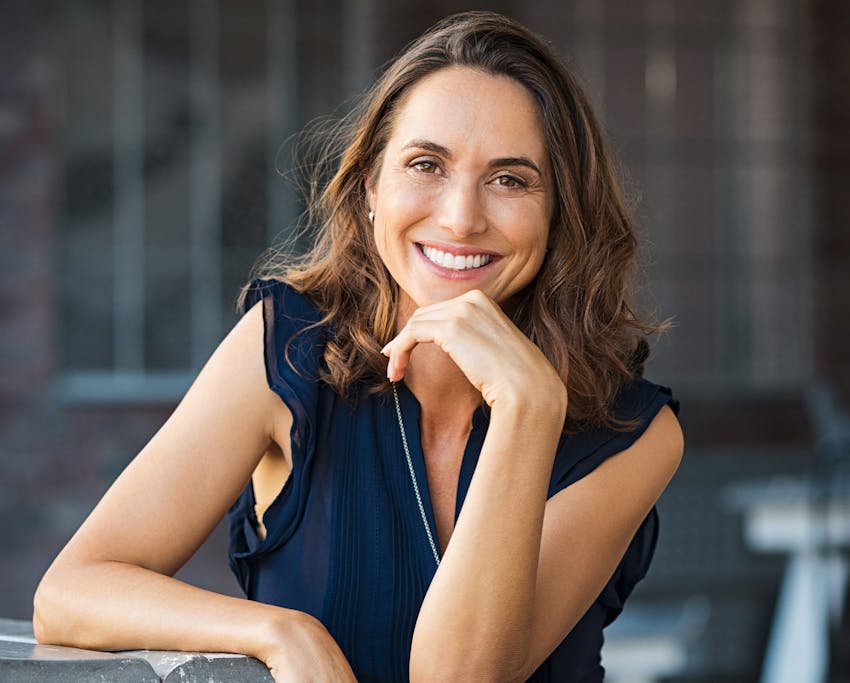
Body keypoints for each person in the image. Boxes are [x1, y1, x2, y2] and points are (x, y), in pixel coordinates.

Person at [34, 10, 683, 682]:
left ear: (560, 211)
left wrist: (527, 409)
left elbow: (458, 676)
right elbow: (71, 591)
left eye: (510, 179)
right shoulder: (286, 348)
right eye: (426, 164)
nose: (461, 217)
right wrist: (281, 632)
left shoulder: (635, 431)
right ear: (371, 188)